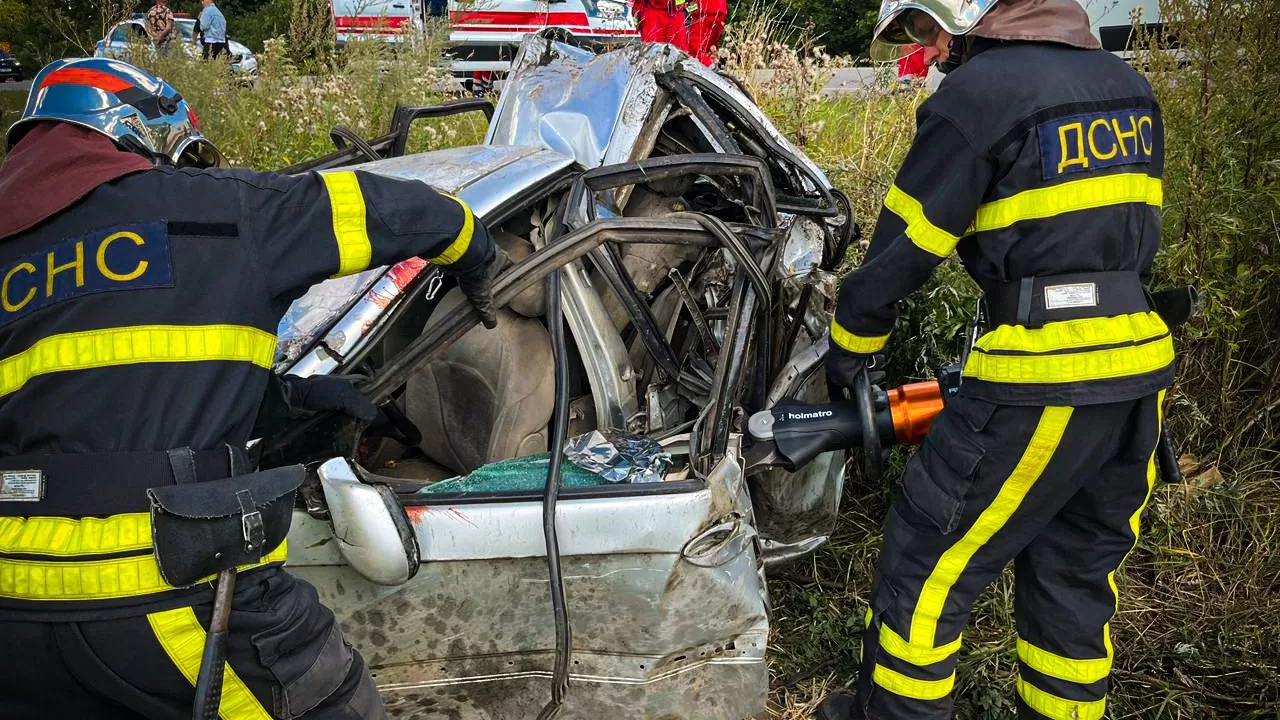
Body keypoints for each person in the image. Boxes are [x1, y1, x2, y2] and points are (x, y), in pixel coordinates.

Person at [0, 57, 497, 718]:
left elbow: (100, 395)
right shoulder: (218, 210)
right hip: (167, 590)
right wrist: (477, 253)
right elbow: (397, 211)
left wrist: (284, 401)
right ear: (142, 132)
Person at [817, 0, 1173, 717]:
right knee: (1074, 583)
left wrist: (851, 353)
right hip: (1138, 376)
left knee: (925, 570)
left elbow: (904, 248)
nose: (930, 51)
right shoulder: (1127, 86)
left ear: (973, 11)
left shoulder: (978, 96)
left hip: (1041, 378)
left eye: (928, 28)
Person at [685, 0, 727, 66]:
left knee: (695, 49)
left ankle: (709, 68)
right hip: (719, 9)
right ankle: (713, 68)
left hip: (705, 10)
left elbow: (690, 5)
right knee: (710, 49)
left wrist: (688, 8)